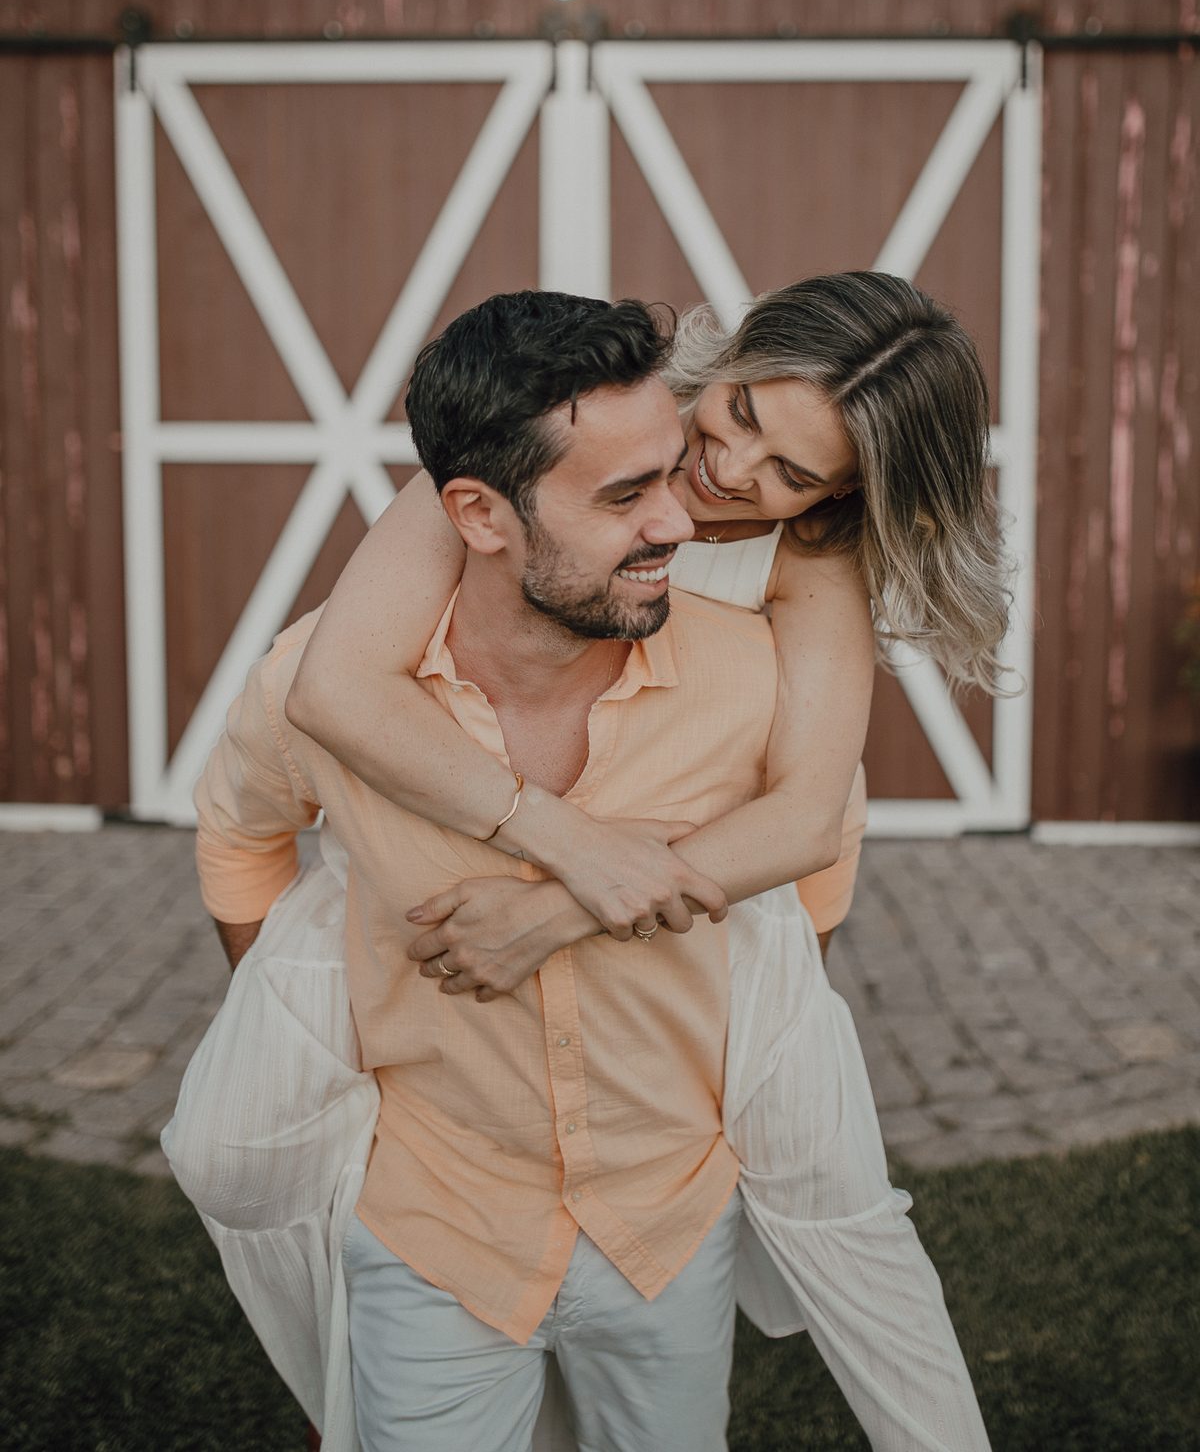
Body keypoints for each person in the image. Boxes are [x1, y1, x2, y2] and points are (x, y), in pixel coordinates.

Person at [167, 280, 1004, 1452]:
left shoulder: (803, 565)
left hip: (681, 1069)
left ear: (839, 499)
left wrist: (568, 918)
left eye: (791, 473)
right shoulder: (552, 434)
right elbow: (330, 690)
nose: (725, 477)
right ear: (732, 360)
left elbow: (813, 822)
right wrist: (568, 846)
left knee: (848, 1224)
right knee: (238, 1141)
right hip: (446, 1167)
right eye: (743, 414)